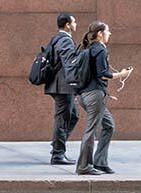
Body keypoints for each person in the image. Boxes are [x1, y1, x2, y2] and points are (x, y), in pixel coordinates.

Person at [75, 21, 133, 175]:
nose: (110, 34)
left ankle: (100, 162)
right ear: (100, 34)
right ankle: (83, 166)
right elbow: (102, 74)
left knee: (109, 125)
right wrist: (122, 74)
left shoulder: (88, 48)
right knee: (92, 130)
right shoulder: (100, 49)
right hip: (95, 95)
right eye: (107, 31)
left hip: (84, 94)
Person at [46, 13, 80, 165]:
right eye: (74, 22)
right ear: (67, 24)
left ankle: (57, 146)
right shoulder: (65, 40)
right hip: (63, 86)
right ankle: (58, 154)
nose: (76, 24)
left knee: (73, 116)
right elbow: (69, 64)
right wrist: (76, 84)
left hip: (58, 84)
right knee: (62, 118)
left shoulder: (56, 39)